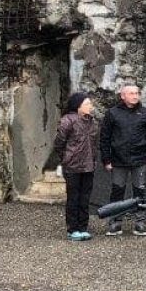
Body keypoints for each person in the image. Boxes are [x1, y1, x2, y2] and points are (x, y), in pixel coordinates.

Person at [99, 84, 146, 236]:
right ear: (123, 96)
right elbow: (104, 138)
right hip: (118, 160)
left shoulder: (145, 113)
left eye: (137, 93)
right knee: (117, 192)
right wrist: (106, 159)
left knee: (140, 192)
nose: (135, 96)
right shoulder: (112, 113)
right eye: (131, 93)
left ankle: (140, 223)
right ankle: (115, 222)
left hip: (140, 160)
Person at [54, 92, 98, 241]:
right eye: (87, 104)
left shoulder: (91, 121)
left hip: (88, 165)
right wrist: (66, 158)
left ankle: (83, 227)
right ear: (78, 106)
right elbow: (59, 143)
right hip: (73, 166)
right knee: (73, 198)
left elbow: (94, 143)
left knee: (85, 198)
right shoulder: (67, 121)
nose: (90, 106)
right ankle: (72, 229)